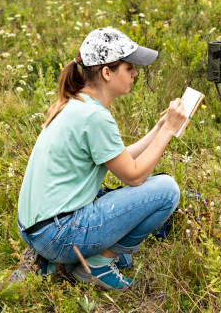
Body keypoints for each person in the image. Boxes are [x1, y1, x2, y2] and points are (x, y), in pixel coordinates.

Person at [14, 27, 187, 290]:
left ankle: (48, 259)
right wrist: (169, 130)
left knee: (130, 192)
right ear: (107, 72)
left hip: (34, 228)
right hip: (57, 233)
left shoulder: (75, 104)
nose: (135, 73)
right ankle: (97, 263)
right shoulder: (94, 117)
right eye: (129, 68)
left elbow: (118, 158)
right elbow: (134, 175)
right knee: (166, 191)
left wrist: (158, 128)